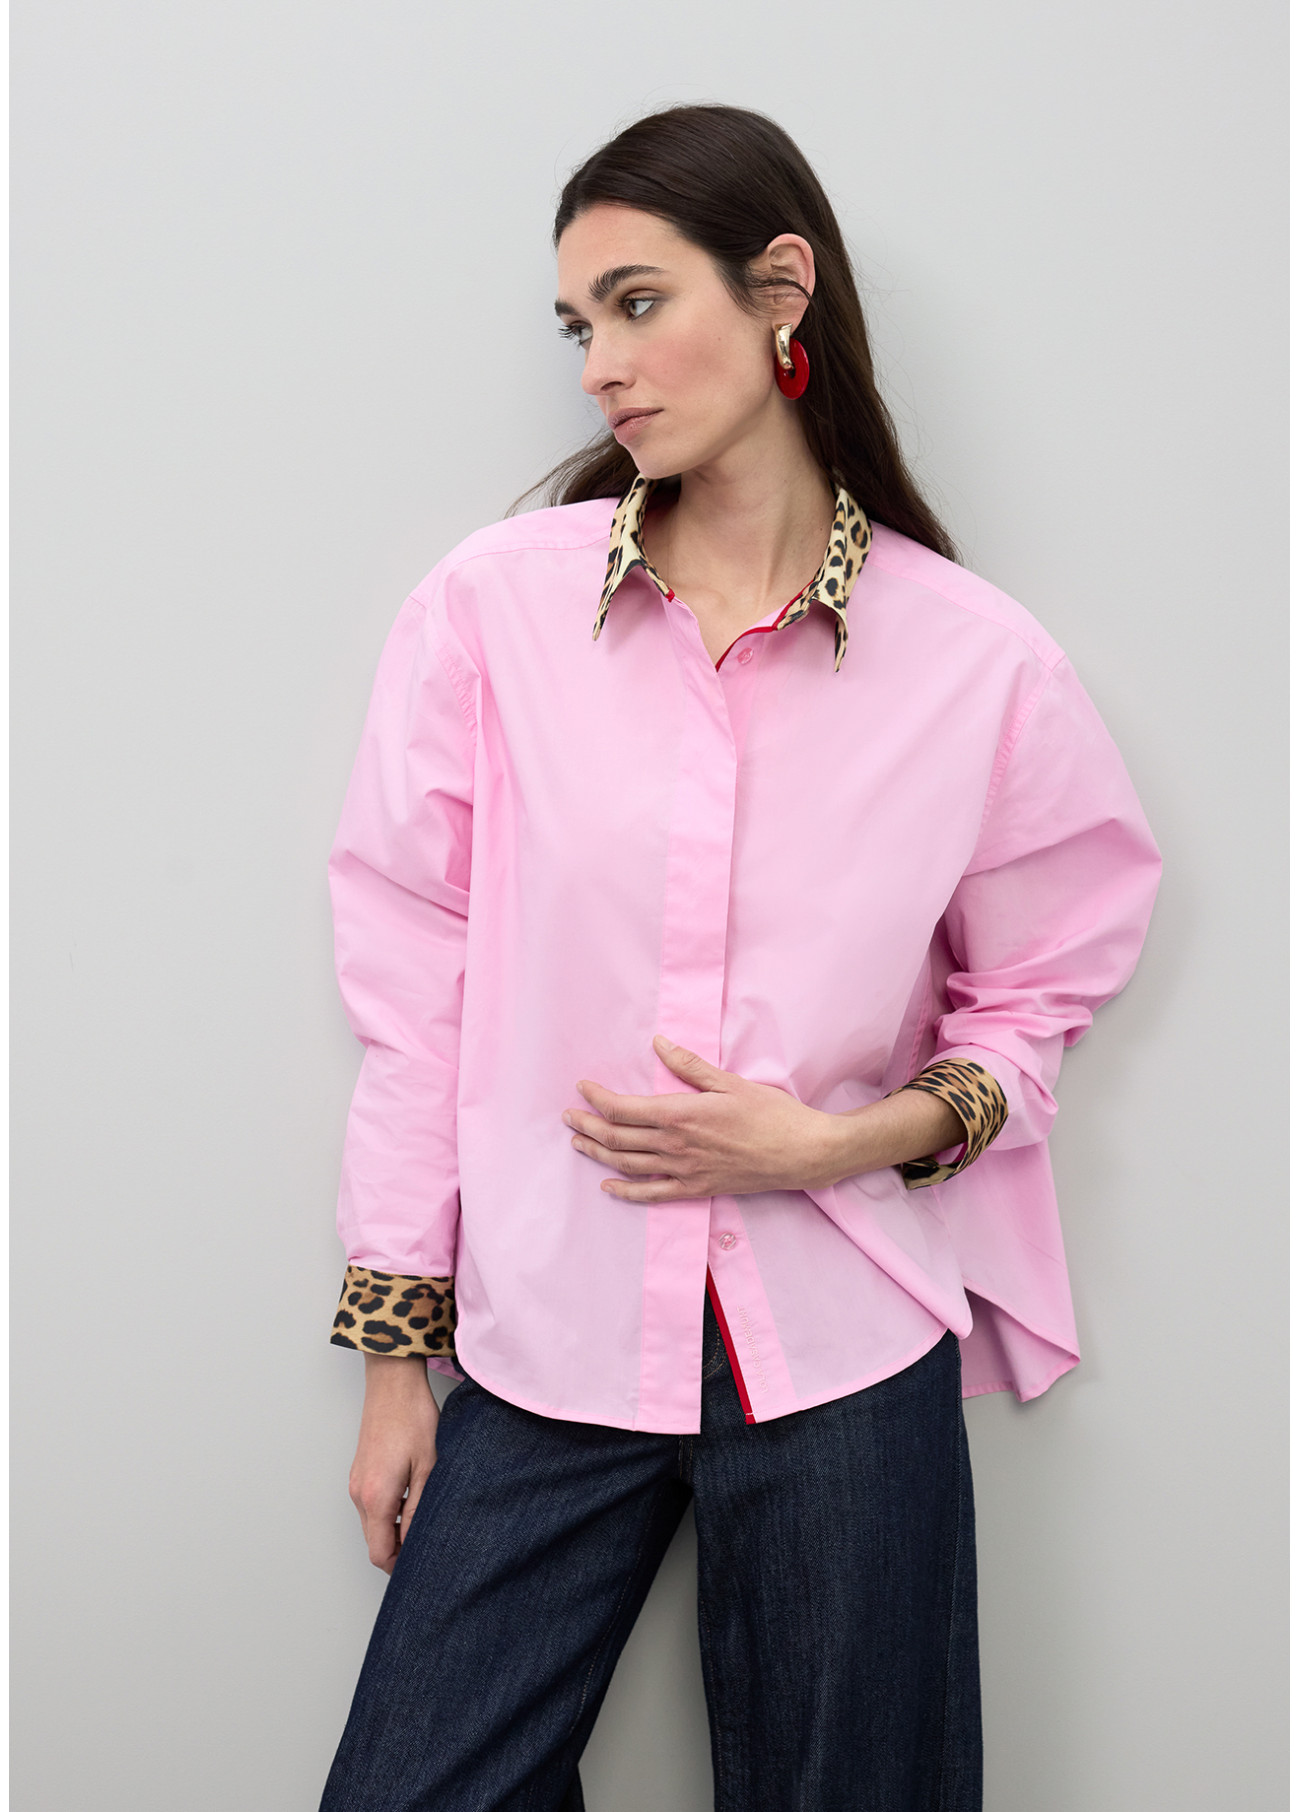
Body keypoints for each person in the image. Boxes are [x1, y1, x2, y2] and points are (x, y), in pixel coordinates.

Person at [317, 104, 1160, 1812]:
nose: (599, 369)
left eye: (636, 305)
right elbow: (416, 989)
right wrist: (399, 1358)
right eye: (579, 325)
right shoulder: (492, 614)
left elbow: (1035, 999)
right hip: (549, 1331)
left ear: (783, 291)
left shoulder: (978, 666)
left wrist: (836, 1141)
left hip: (839, 1343)